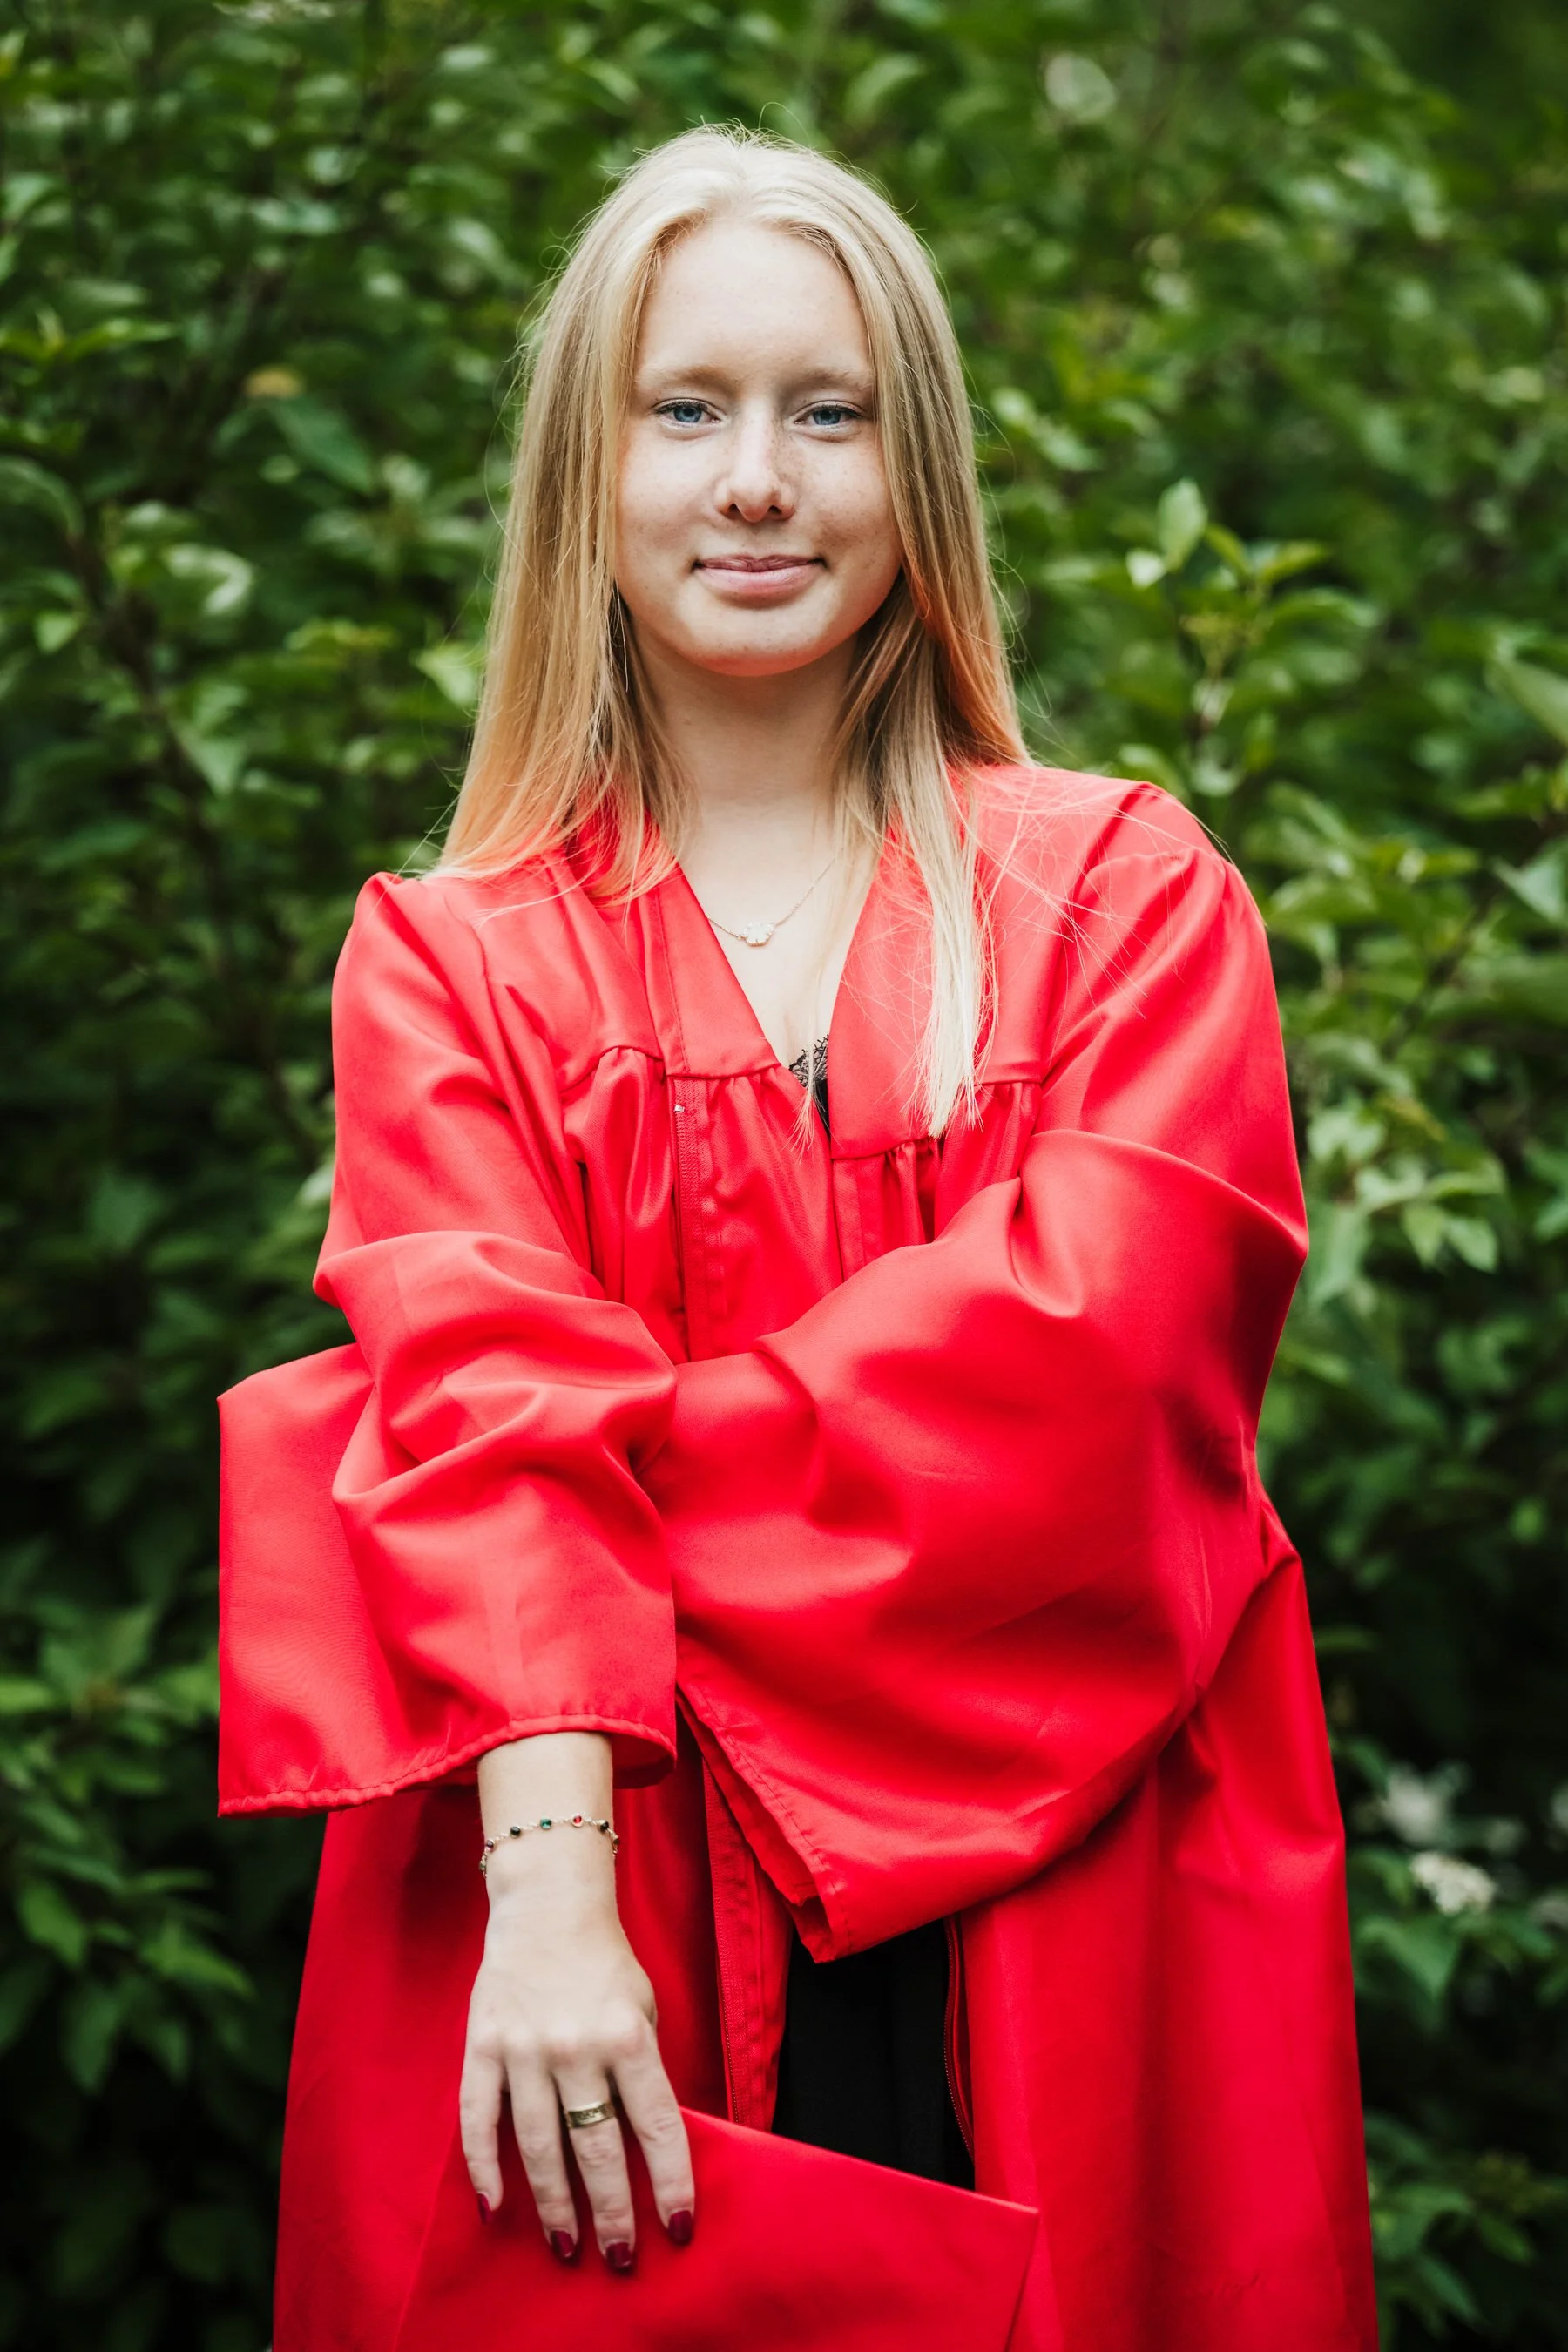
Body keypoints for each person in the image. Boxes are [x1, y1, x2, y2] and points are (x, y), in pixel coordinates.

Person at [217, 126, 1378, 2350]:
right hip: (598, 1895)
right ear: (589, 470)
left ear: (912, 461)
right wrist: (550, 1900)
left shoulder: (1122, 903)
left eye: (826, 411)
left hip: (1077, 1875)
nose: (757, 480)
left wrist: (582, 1518)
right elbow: (484, 1417)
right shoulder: (453, 961)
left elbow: (1089, 1394)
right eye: (688, 408)